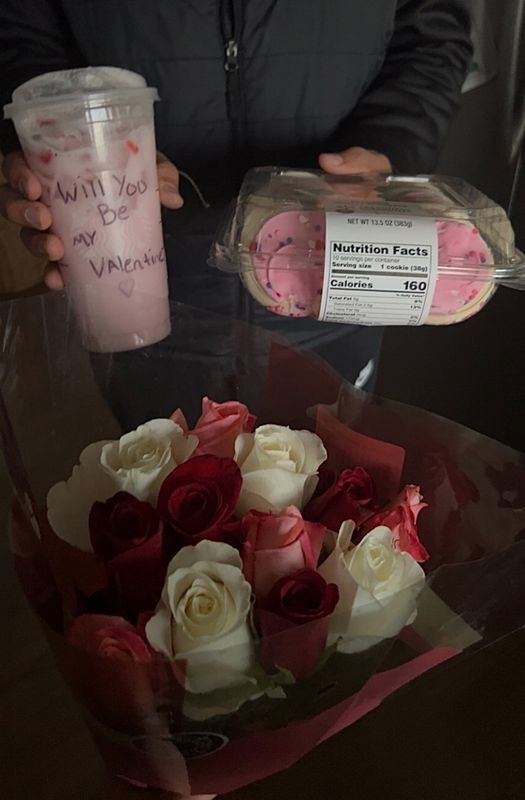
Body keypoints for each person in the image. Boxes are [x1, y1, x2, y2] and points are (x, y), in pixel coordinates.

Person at [0, 0, 472, 394]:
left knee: (337, 482)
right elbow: (21, 37)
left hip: (334, 275)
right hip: (150, 280)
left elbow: (432, 36)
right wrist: (59, 126)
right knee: (158, 486)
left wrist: (386, 148)